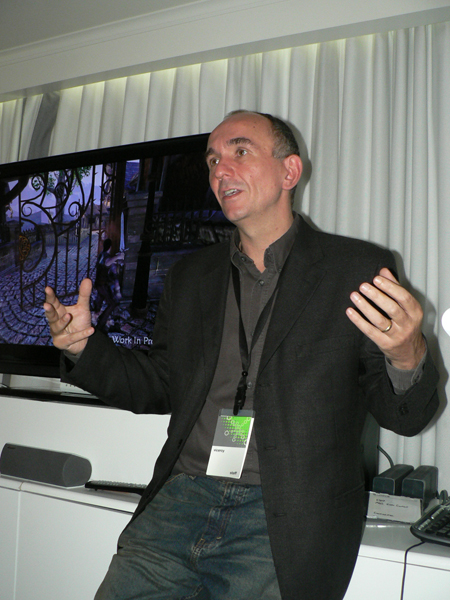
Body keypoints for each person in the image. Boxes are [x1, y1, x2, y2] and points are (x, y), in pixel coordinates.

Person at [44, 110, 439, 600]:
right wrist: (83, 347)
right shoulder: (191, 277)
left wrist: (407, 354)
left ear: (290, 171)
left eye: (240, 151)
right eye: (212, 160)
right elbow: (161, 385)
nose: (220, 170)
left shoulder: (355, 269)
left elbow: (405, 417)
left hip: (285, 515)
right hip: (182, 498)